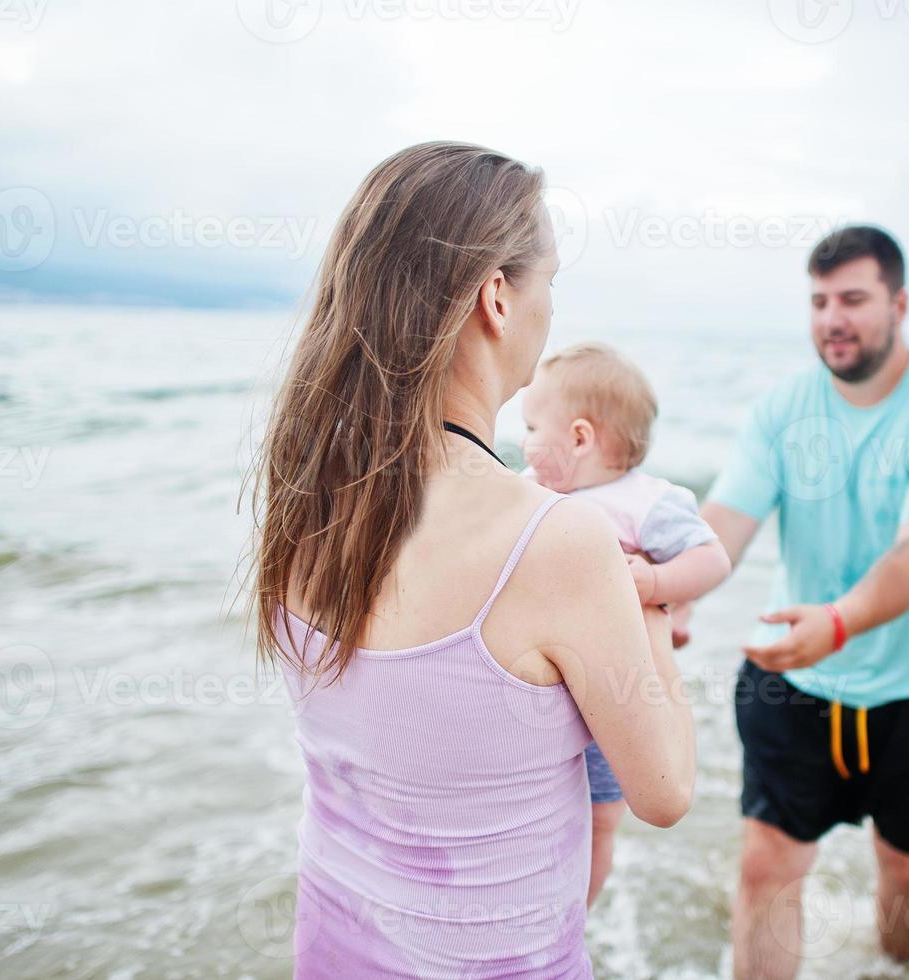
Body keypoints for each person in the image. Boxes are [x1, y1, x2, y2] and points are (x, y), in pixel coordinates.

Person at [250, 141, 695, 978]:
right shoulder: (557, 540)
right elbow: (663, 789)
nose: (552, 311)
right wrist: (650, 611)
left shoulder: (305, 496)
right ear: (497, 295)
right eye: (549, 283)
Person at [676, 225, 909, 976]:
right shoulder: (781, 409)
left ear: (899, 303)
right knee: (766, 864)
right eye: (819, 301)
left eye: (852, 298)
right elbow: (723, 523)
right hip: (794, 683)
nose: (831, 318)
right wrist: (674, 594)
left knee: (907, 873)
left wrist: (840, 620)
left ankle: (902, 967)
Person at [518, 341, 731, 906]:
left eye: (533, 426)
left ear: (581, 438)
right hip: (547, 689)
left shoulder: (645, 503)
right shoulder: (530, 491)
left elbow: (712, 559)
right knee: (539, 808)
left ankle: (572, 915)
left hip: (617, 695)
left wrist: (656, 584)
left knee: (601, 819)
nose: (523, 440)